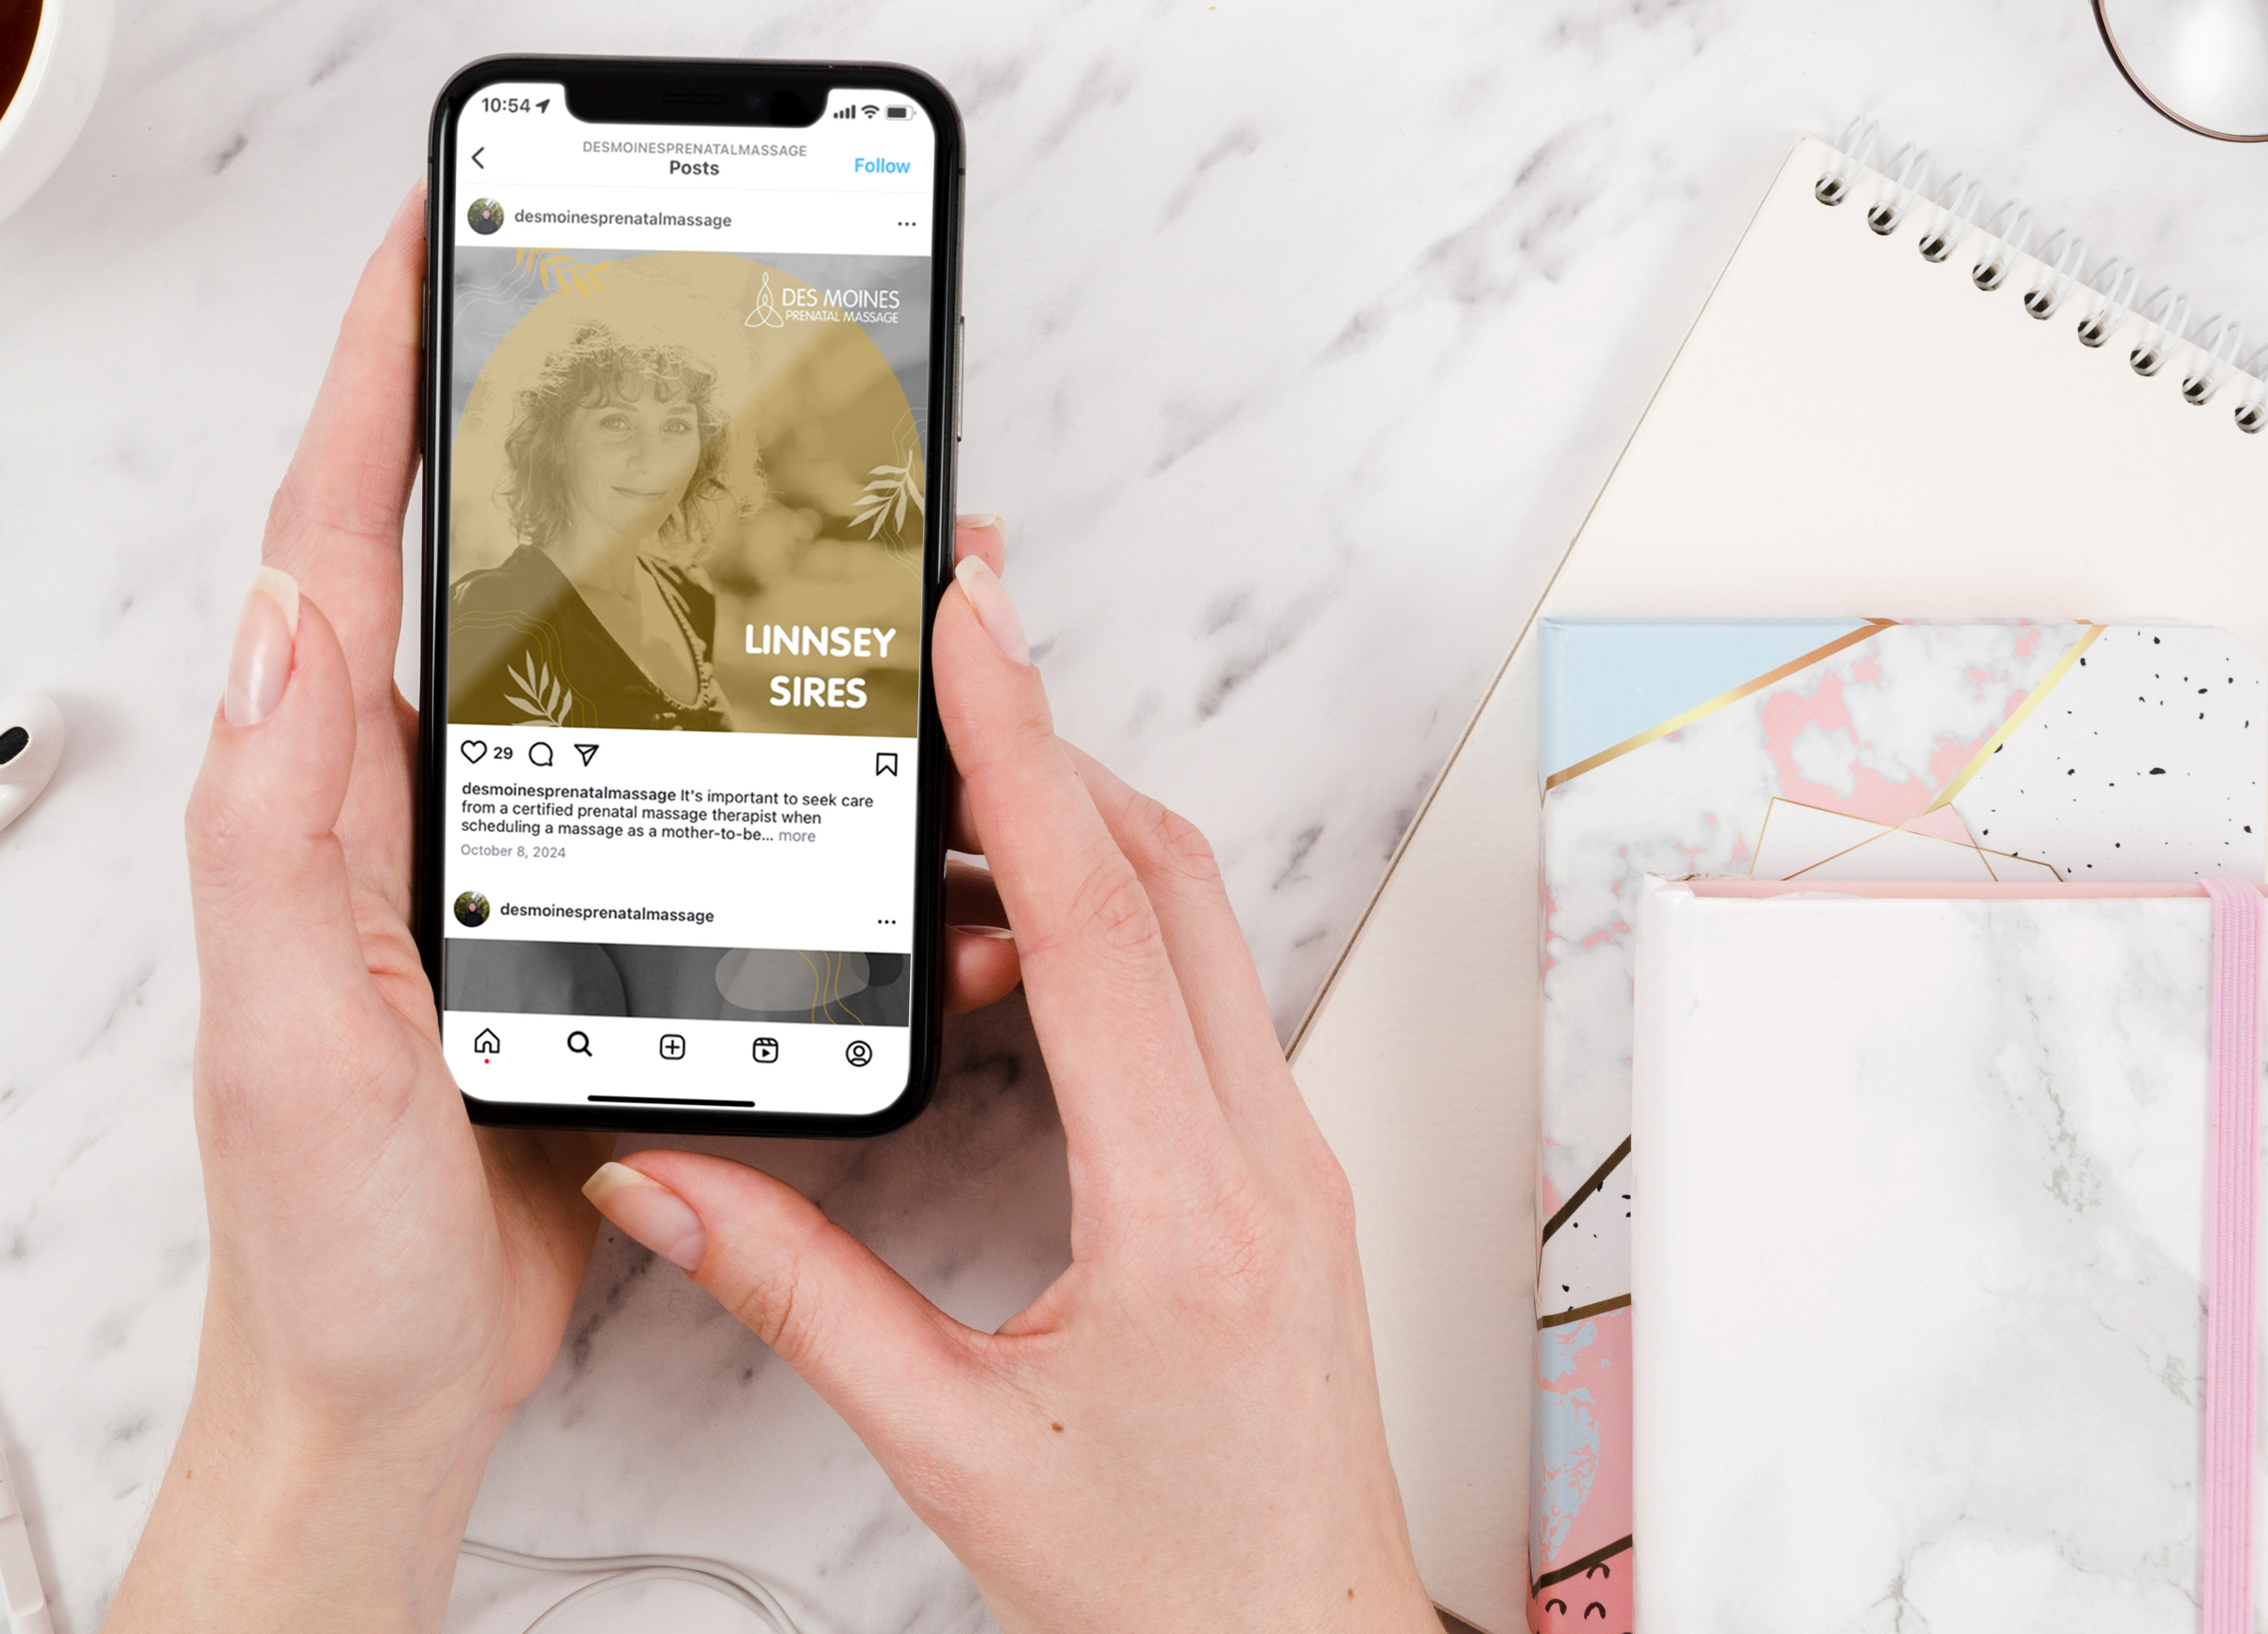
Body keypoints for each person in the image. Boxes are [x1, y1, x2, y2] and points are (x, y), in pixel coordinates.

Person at [104, 188, 1438, 1631]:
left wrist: (328, 1428)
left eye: (672, 441)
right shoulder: (509, 608)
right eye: (618, 430)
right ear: (550, 446)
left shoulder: (693, 613)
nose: (653, 464)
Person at [446, 324, 738, 731]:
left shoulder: (690, 594)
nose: (653, 461)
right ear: (556, 444)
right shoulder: (494, 618)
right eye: (616, 422)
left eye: (676, 426)